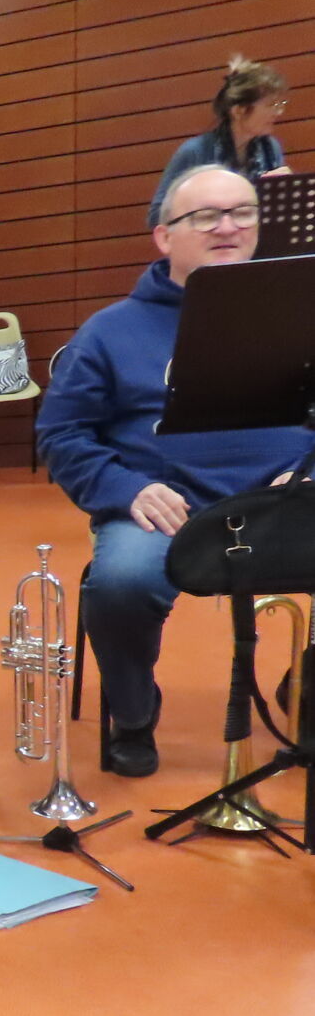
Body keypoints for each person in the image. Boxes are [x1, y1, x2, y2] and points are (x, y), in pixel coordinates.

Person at [38, 165, 315, 776]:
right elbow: (61, 433)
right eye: (206, 217)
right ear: (164, 237)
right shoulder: (109, 331)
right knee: (120, 582)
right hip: (167, 506)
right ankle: (134, 713)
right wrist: (126, 488)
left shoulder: (300, 313)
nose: (227, 227)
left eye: (242, 212)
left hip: (287, 497)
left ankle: (306, 687)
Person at [146, 56, 291, 226]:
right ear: (238, 111)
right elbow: (156, 216)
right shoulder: (195, 151)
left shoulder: (270, 148)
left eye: (280, 104)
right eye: (270, 105)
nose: (278, 112)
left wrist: (283, 190)